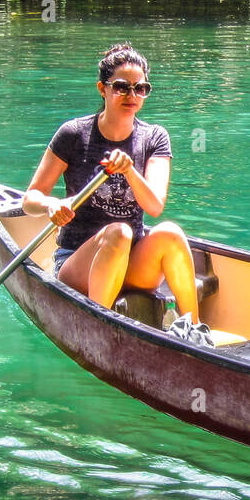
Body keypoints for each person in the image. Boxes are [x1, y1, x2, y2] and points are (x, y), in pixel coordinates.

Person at [22, 43, 204, 334]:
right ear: (102, 89)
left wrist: (130, 170)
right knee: (119, 233)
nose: (132, 95)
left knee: (170, 233)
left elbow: (155, 206)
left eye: (140, 88)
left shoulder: (154, 137)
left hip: (132, 263)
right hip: (76, 262)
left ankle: (194, 331)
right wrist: (52, 205)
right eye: (121, 87)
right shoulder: (74, 134)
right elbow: (30, 199)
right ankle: (99, 330)